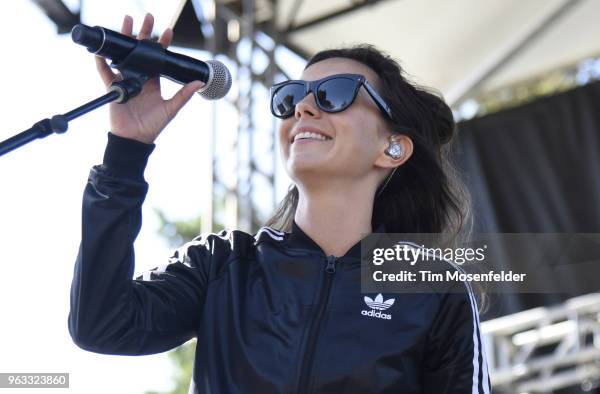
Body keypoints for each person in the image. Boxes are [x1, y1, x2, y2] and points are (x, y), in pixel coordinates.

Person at [68, 12, 491, 394]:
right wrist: (126, 150)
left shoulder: (434, 287)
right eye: (290, 98)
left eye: (335, 94)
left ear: (393, 148)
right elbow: (101, 325)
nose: (303, 108)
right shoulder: (224, 265)